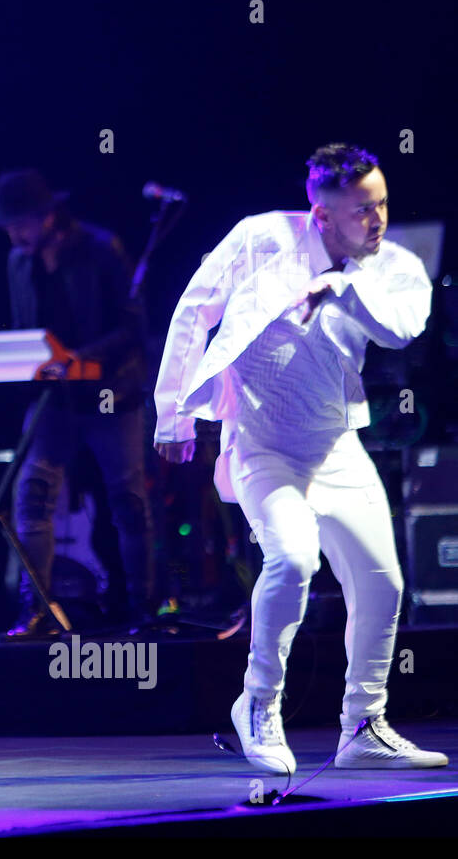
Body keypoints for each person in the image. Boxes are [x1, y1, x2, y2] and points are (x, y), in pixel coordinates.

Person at [153, 143, 447, 774]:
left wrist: (338, 290)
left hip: (337, 447)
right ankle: (258, 705)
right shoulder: (260, 239)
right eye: (361, 210)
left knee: (383, 583)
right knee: (291, 559)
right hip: (262, 444)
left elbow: (401, 329)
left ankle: (363, 727)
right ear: (320, 215)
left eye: (382, 204)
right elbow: (192, 312)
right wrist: (171, 413)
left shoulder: (394, 266)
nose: (378, 220)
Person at [0, 169, 153, 631]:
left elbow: (132, 329)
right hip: (55, 401)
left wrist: (79, 358)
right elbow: (27, 330)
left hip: (111, 396)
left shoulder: (101, 249)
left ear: (48, 216)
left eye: (20, 223)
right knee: (32, 498)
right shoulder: (19, 262)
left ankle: (144, 607)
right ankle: (35, 611)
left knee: (127, 502)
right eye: (9, 225)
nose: (13, 234)